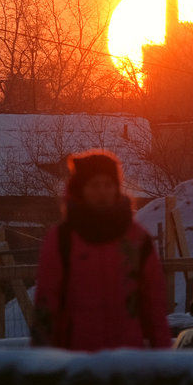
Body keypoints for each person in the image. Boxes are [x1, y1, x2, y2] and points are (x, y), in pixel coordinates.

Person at [31, 150, 172, 350]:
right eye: (94, 185)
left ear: (117, 188)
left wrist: (163, 357)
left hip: (127, 359)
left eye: (108, 185)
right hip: (76, 361)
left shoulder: (137, 240)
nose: (102, 192)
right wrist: (42, 361)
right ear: (81, 189)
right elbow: (47, 302)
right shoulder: (62, 239)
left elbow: (153, 305)